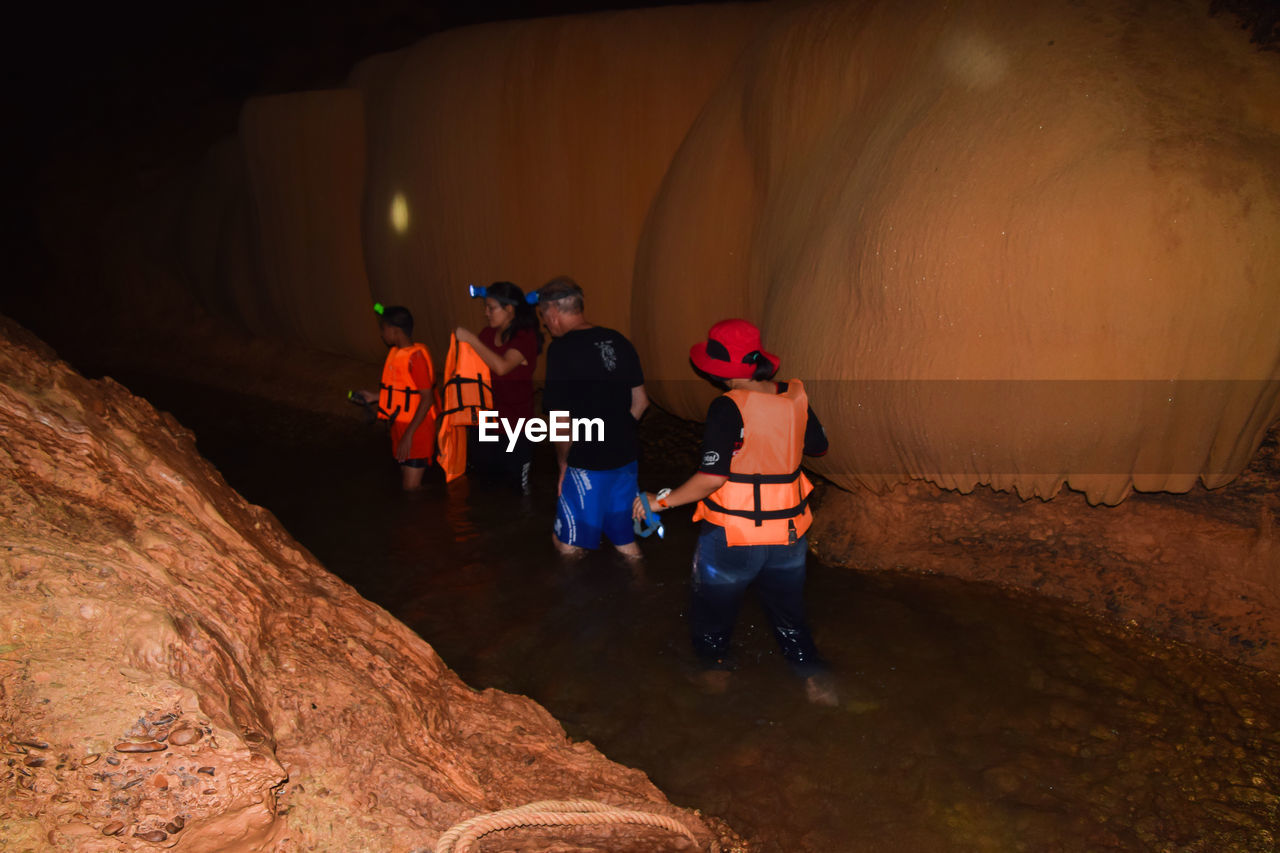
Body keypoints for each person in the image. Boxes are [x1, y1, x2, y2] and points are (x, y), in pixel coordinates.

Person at [632, 319, 836, 706]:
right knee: (789, 616)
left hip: (732, 538)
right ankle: (813, 677)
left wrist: (659, 500)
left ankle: (715, 678)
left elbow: (711, 478)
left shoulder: (727, 407)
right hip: (788, 536)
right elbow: (819, 447)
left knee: (713, 613)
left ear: (715, 369)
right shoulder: (794, 396)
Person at [538, 276, 648, 558]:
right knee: (624, 540)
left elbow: (560, 419)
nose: (545, 324)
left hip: (588, 461)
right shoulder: (619, 341)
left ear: (553, 312)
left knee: (567, 544)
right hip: (626, 457)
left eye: (544, 317)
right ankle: (638, 586)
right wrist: (618, 430)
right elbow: (641, 402)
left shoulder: (561, 350)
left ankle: (578, 600)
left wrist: (564, 464)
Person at [454, 281, 542, 494]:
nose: (486, 313)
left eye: (491, 308)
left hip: (516, 427)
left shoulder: (525, 338)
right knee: (484, 486)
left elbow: (502, 367)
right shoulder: (486, 335)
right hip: (485, 423)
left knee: (516, 490)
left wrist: (471, 340)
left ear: (509, 309)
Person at [352, 305, 438, 491]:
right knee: (407, 485)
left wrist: (408, 435)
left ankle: (440, 503)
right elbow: (402, 393)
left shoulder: (415, 359)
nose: (382, 335)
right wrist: (374, 397)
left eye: (383, 329)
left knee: (411, 488)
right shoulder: (396, 355)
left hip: (416, 431)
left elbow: (427, 399)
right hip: (401, 427)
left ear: (394, 330)